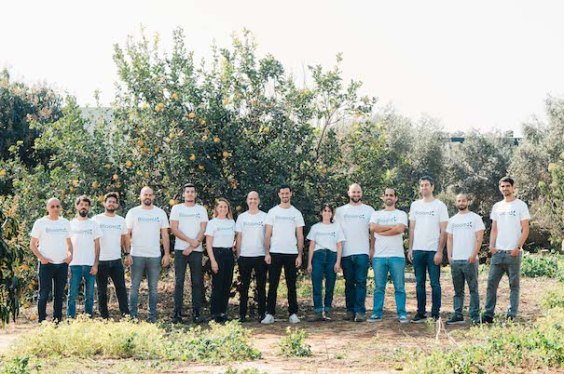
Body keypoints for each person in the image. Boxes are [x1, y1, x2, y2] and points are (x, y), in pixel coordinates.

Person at [483, 177, 530, 323]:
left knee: (514, 286)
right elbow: (494, 229)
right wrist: (491, 246)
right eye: (502, 186)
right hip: (498, 253)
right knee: (491, 284)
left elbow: (526, 229)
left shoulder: (520, 205)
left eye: (508, 186)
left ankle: (511, 315)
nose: (505, 189)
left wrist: (517, 248)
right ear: (500, 188)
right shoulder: (497, 206)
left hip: (513, 253)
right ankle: (488, 315)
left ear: (513, 187)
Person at [125, 186, 171, 322]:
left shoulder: (160, 213)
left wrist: (167, 254)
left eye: (150, 195)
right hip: (136, 255)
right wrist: (127, 253)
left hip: (155, 255)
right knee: (134, 287)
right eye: (145, 194)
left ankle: (152, 317)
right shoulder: (133, 212)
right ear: (140, 196)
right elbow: (127, 234)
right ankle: (132, 316)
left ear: (153, 197)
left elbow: (165, 234)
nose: (148, 197)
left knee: (153, 289)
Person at [261, 185, 305, 324]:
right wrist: (267, 253)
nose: (285, 195)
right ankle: (270, 314)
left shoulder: (296, 213)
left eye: (287, 193)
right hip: (275, 253)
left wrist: (299, 255)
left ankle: (293, 313)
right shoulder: (272, 212)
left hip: (291, 253)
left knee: (291, 285)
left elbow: (300, 235)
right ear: (279, 195)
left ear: (291, 194)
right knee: (273, 284)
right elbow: (267, 234)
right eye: (282, 193)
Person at [408, 176, 449, 323]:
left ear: (432, 187)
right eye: (422, 185)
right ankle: (420, 312)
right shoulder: (415, 205)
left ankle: (435, 313)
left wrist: (440, 251)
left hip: (433, 251)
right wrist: (410, 248)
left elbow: (444, 230)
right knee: (419, 283)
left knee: (434, 283)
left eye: (427, 185)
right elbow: (412, 228)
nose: (424, 187)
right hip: (418, 250)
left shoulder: (440, 206)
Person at [335, 183, 375, 322]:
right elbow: (336, 233)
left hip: (362, 251)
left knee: (361, 282)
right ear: (349, 193)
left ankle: (360, 312)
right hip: (346, 252)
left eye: (358, 192)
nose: (356, 194)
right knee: (349, 283)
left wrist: (372, 248)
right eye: (354, 192)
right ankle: (350, 311)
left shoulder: (369, 210)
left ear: (361, 193)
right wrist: (337, 255)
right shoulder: (340, 211)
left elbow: (373, 232)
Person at [368, 188, 409, 324]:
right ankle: (376, 313)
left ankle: (402, 314)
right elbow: (373, 229)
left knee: (399, 287)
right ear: (383, 197)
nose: (389, 197)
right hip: (379, 256)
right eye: (386, 195)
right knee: (379, 287)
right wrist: (392, 228)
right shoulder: (376, 214)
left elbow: (400, 229)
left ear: (396, 198)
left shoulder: (401, 214)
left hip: (397, 256)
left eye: (391, 195)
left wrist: (383, 230)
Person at [30, 198, 73, 323]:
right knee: (44, 294)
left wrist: (70, 255)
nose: (55, 209)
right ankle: (42, 321)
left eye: (57, 206)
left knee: (59, 295)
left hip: (62, 264)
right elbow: (32, 244)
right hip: (46, 264)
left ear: (60, 208)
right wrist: (41, 258)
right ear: (47, 208)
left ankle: (57, 321)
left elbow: (69, 243)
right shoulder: (40, 223)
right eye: (52, 206)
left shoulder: (65, 223)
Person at [170, 183, 208, 323]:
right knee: (179, 282)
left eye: (192, 191)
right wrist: (189, 241)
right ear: (184, 194)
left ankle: (197, 314)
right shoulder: (177, 208)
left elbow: (203, 229)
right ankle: (177, 314)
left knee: (197, 282)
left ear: (195, 194)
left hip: (196, 251)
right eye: (187, 191)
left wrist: (193, 246)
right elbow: (174, 228)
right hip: (180, 250)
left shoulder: (201, 209)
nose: (190, 194)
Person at [445, 193, 485, 325]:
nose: (461, 203)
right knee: (458, 291)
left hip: (470, 260)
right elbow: (449, 239)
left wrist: (474, 255)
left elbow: (479, 238)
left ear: (468, 201)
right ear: (456, 203)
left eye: (463, 200)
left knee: (473, 289)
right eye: (459, 201)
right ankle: (458, 314)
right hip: (456, 260)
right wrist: (450, 256)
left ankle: (474, 316)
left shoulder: (475, 218)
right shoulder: (452, 220)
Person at [93, 192, 131, 319]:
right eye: (109, 201)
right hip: (100, 261)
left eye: (114, 202)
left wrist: (127, 254)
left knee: (121, 288)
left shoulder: (121, 220)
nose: (111, 204)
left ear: (117, 205)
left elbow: (125, 239)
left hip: (116, 260)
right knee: (101, 291)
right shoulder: (96, 219)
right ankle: (104, 317)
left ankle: (126, 315)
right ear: (104, 203)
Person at [306, 204, 344, 322]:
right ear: (321, 213)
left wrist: (338, 262)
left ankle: (327, 310)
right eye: (325, 211)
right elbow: (312, 246)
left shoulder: (336, 227)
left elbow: (339, 245)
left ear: (332, 214)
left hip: (332, 256)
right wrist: (309, 263)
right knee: (317, 284)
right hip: (318, 256)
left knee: (330, 284)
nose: (327, 213)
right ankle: (318, 311)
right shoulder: (315, 227)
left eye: (329, 211)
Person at [235, 191, 268, 322]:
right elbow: (239, 237)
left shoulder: (265, 216)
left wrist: (267, 253)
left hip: (260, 255)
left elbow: (267, 236)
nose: (253, 201)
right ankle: (242, 315)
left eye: (255, 199)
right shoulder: (242, 217)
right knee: (244, 287)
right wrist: (238, 255)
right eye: (250, 199)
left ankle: (262, 314)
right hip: (245, 256)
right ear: (247, 200)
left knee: (261, 287)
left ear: (258, 200)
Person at [67, 195, 101, 318]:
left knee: (90, 295)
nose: (84, 207)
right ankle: (70, 319)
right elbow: (67, 245)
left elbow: (97, 246)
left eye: (86, 205)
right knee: (72, 295)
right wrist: (67, 265)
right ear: (77, 206)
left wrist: (96, 264)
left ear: (89, 208)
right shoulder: (70, 224)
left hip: (90, 265)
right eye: (81, 205)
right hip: (74, 264)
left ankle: (87, 318)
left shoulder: (94, 224)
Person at [205, 198, 236, 323]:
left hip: (229, 254)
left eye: (225, 207)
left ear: (228, 209)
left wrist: (234, 245)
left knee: (226, 284)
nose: (223, 209)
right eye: (220, 207)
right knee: (217, 285)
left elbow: (236, 237)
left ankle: (223, 312)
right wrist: (213, 260)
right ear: (216, 209)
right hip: (217, 254)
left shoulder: (232, 222)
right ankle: (215, 313)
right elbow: (208, 243)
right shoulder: (213, 223)